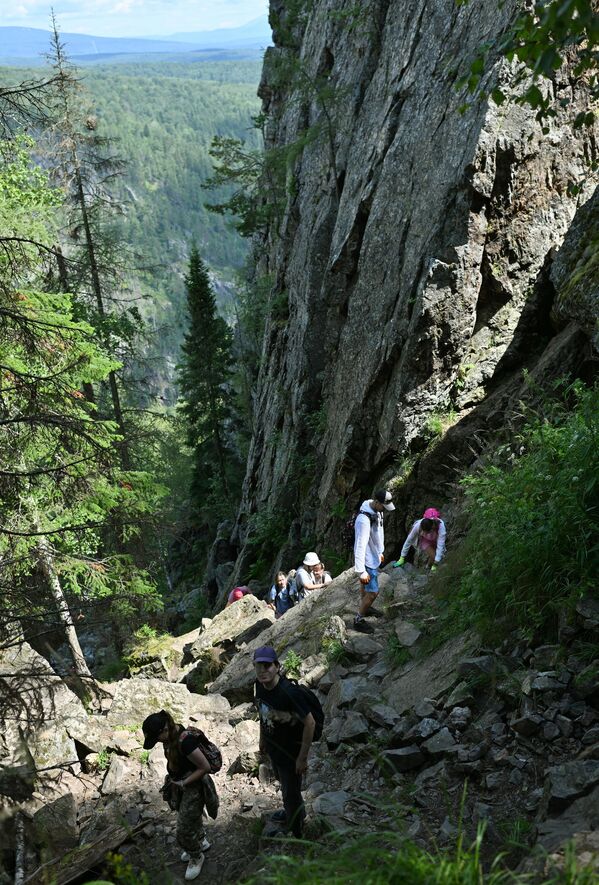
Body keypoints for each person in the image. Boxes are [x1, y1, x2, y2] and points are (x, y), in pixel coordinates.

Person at [142, 709, 214, 881]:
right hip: (182, 784)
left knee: (182, 830)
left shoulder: (186, 742)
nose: (157, 742)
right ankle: (201, 841)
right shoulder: (171, 735)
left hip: (193, 786)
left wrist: (183, 783)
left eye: (156, 738)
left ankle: (196, 856)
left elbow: (205, 767)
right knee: (190, 816)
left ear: (164, 730)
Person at [253, 645, 315, 838]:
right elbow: (263, 712)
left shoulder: (289, 692)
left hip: (291, 753)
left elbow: (310, 723)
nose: (263, 670)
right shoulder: (259, 686)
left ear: (277, 666)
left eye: (267, 665)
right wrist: (262, 739)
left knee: (290, 792)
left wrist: (302, 758)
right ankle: (295, 813)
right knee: (286, 786)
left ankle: (296, 831)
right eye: (258, 666)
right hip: (274, 748)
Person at [353, 489, 395, 632]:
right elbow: (360, 545)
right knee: (373, 592)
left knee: (366, 588)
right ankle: (358, 619)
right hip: (367, 560)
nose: (385, 509)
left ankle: (367, 607)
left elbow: (377, 533)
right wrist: (361, 571)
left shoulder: (376, 511)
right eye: (383, 506)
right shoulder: (363, 521)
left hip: (373, 555)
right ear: (377, 502)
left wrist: (379, 551)